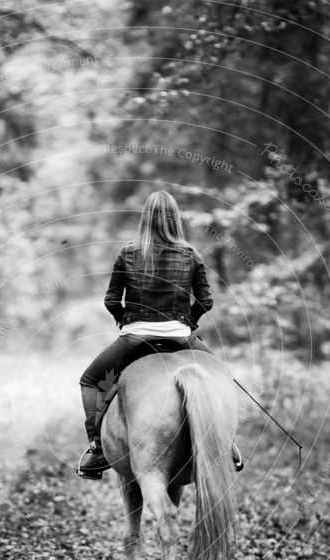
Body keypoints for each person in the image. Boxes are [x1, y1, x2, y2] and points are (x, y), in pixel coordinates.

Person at [77, 190, 243, 478]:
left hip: (135, 337)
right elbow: (206, 301)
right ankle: (226, 444)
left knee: (90, 380)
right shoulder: (190, 254)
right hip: (180, 336)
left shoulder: (128, 252)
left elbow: (111, 301)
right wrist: (187, 323)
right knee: (222, 378)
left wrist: (124, 321)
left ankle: (97, 449)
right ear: (175, 218)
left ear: (145, 218)